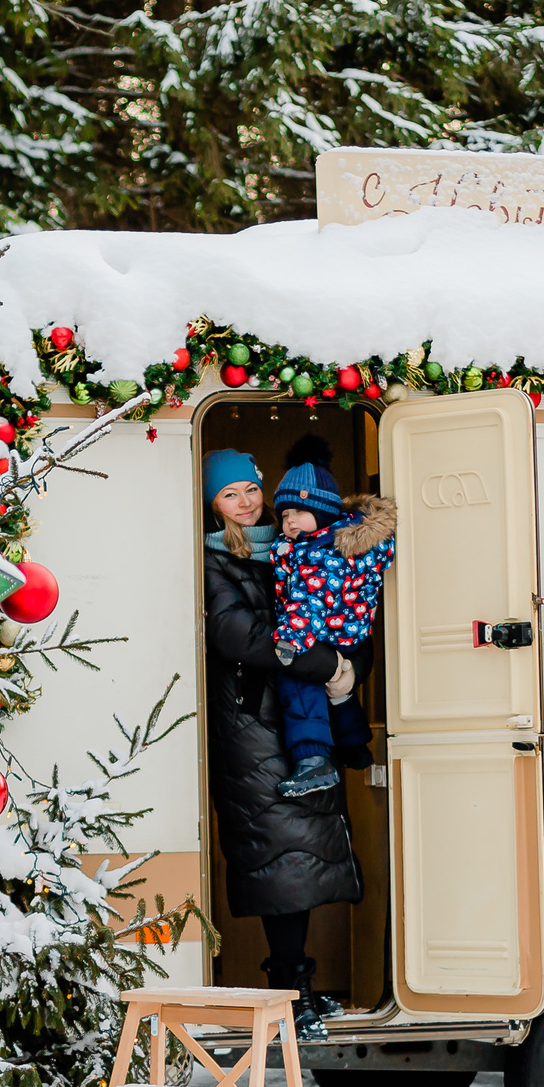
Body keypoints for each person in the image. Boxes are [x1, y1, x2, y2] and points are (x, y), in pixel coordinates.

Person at [203, 446, 361, 1038]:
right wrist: (324, 662)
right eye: (230, 495)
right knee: (282, 860)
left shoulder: (296, 544)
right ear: (213, 506)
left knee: (301, 857)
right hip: (252, 727)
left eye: (251, 489)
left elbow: (340, 611)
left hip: (300, 721)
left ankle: (299, 990)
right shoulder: (213, 559)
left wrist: (351, 667)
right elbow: (234, 633)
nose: (246, 503)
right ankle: (292, 993)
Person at [266, 435, 395, 797]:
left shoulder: (319, 553)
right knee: (337, 690)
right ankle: (355, 748)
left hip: (324, 630)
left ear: (322, 512)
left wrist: (291, 640)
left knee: (299, 681)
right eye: (285, 515)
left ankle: (314, 760)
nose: (290, 521)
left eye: (299, 512)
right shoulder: (340, 542)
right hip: (347, 632)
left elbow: (309, 602)